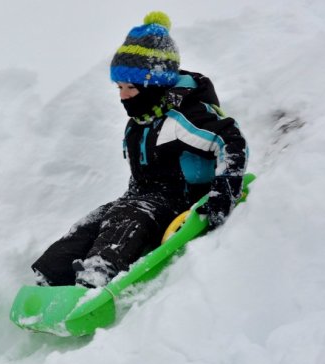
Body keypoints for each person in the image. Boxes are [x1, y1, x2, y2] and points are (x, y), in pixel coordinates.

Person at [31, 11, 248, 288]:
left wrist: (223, 194)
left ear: (153, 84)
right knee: (95, 221)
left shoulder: (181, 118)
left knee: (128, 216)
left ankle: (95, 279)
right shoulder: (139, 122)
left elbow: (231, 141)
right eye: (119, 87)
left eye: (130, 87)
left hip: (183, 201)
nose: (122, 95)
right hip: (142, 198)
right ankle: (48, 277)